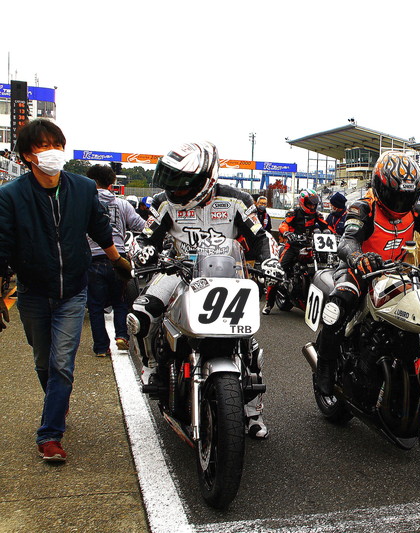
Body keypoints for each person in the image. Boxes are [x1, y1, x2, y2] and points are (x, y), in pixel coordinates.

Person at [0, 119, 132, 462]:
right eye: (43, 146)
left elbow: (99, 228)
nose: (53, 152)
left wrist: (118, 261)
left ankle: (50, 435)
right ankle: (57, 402)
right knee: (43, 361)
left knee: (62, 364)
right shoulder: (11, 195)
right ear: (27, 155)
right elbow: (2, 245)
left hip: (74, 291)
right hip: (32, 292)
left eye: (57, 144)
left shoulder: (83, 189)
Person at [129, 141, 280, 438]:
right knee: (142, 313)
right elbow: (146, 236)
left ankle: (252, 412)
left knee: (248, 345)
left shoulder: (237, 200)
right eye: (171, 181)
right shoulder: (163, 202)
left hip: (227, 274)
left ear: (207, 179)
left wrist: (270, 261)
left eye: (182, 182)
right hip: (178, 271)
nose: (175, 189)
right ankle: (152, 365)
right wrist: (143, 250)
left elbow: (261, 237)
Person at [313, 151, 420, 395]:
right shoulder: (363, 208)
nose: (400, 202)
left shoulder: (418, 211)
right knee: (339, 302)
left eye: (406, 196)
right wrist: (358, 257)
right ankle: (325, 364)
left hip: (398, 273)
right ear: (379, 186)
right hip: (359, 270)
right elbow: (347, 241)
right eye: (394, 195)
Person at [86, 164, 146, 357]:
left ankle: (101, 347)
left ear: (91, 181)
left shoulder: (84, 202)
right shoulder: (123, 204)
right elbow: (141, 225)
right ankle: (122, 336)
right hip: (119, 259)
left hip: (93, 258)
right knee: (120, 301)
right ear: (111, 183)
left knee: (95, 306)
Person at [262, 189, 332, 315]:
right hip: (293, 246)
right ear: (302, 202)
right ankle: (268, 303)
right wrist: (287, 233)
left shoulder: (317, 215)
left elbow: (326, 226)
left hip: (310, 246)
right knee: (277, 272)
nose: (312, 206)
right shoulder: (293, 213)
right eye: (309, 204)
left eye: (314, 204)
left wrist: (334, 234)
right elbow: (283, 225)